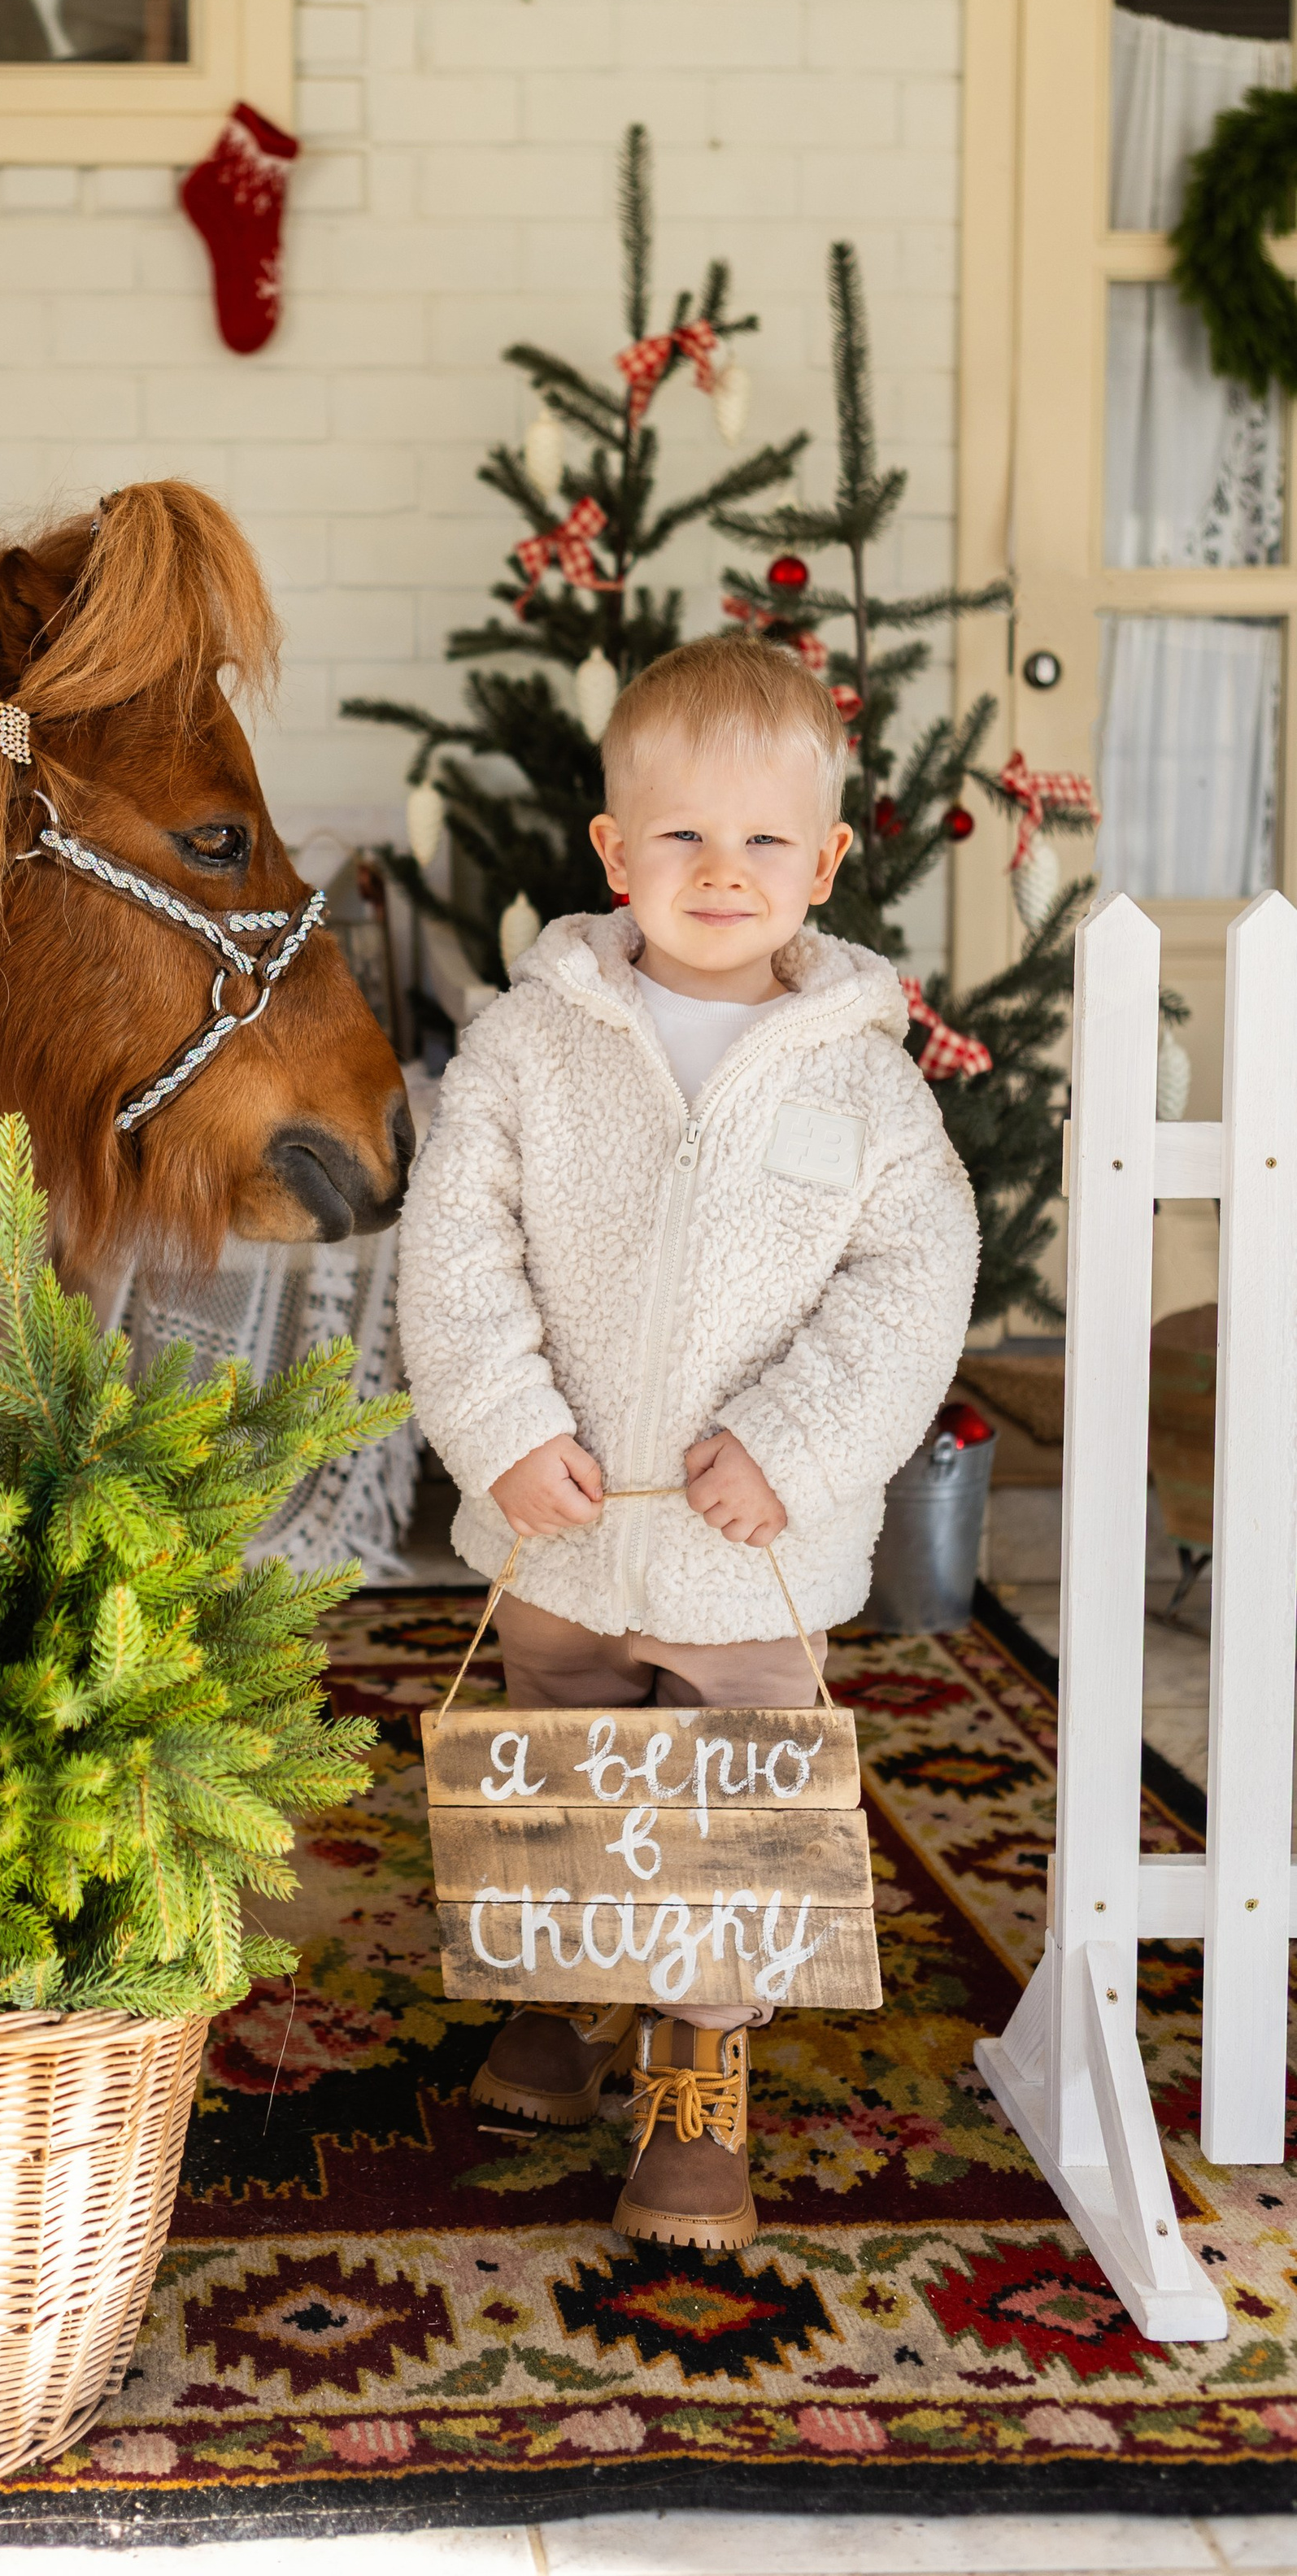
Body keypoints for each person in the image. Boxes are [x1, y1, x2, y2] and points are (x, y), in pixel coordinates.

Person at [398, 633, 978, 2251]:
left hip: (746, 1548)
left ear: (826, 861)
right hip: (563, 1521)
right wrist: (503, 1426)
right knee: (567, 1750)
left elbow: (913, 1284)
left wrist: (794, 1446)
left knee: (727, 1795)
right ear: (608, 852)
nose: (719, 874)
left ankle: (696, 2067)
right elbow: (451, 1250)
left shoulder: (865, 1087)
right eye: (677, 837)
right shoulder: (529, 1045)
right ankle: (569, 1995)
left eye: (762, 843)